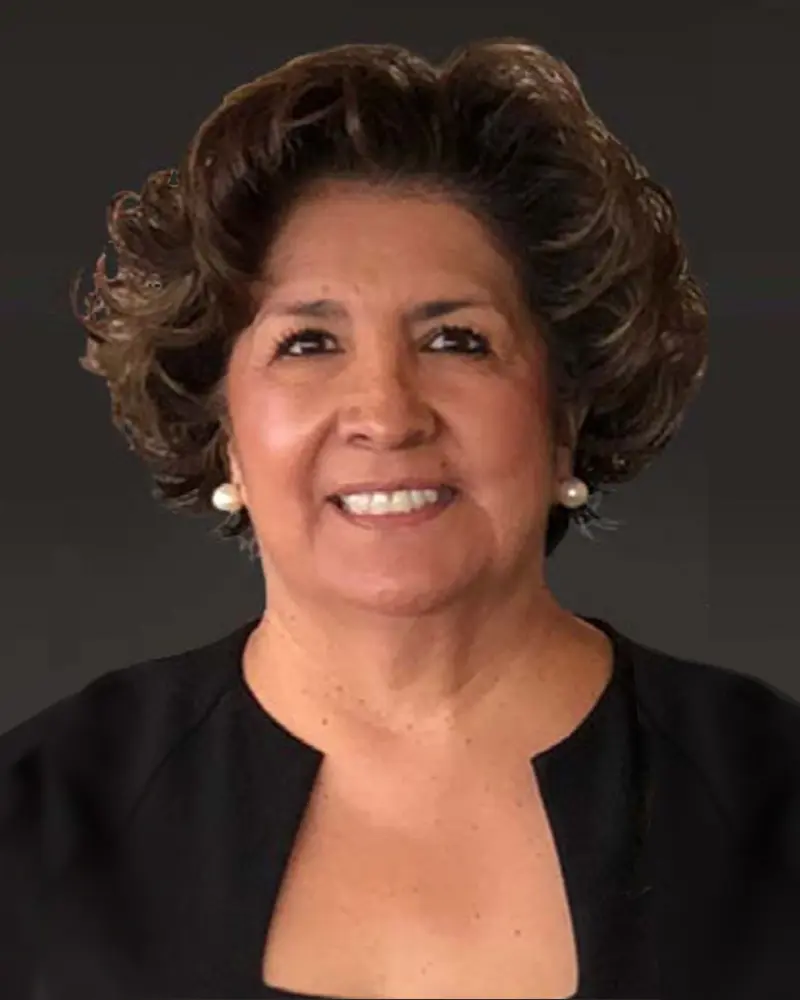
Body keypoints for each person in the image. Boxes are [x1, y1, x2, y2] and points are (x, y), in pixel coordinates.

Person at [1, 36, 798, 1000]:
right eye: (307, 342)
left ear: (564, 420)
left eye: (457, 340)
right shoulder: (31, 828)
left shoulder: (775, 804)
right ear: (223, 437)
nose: (386, 412)